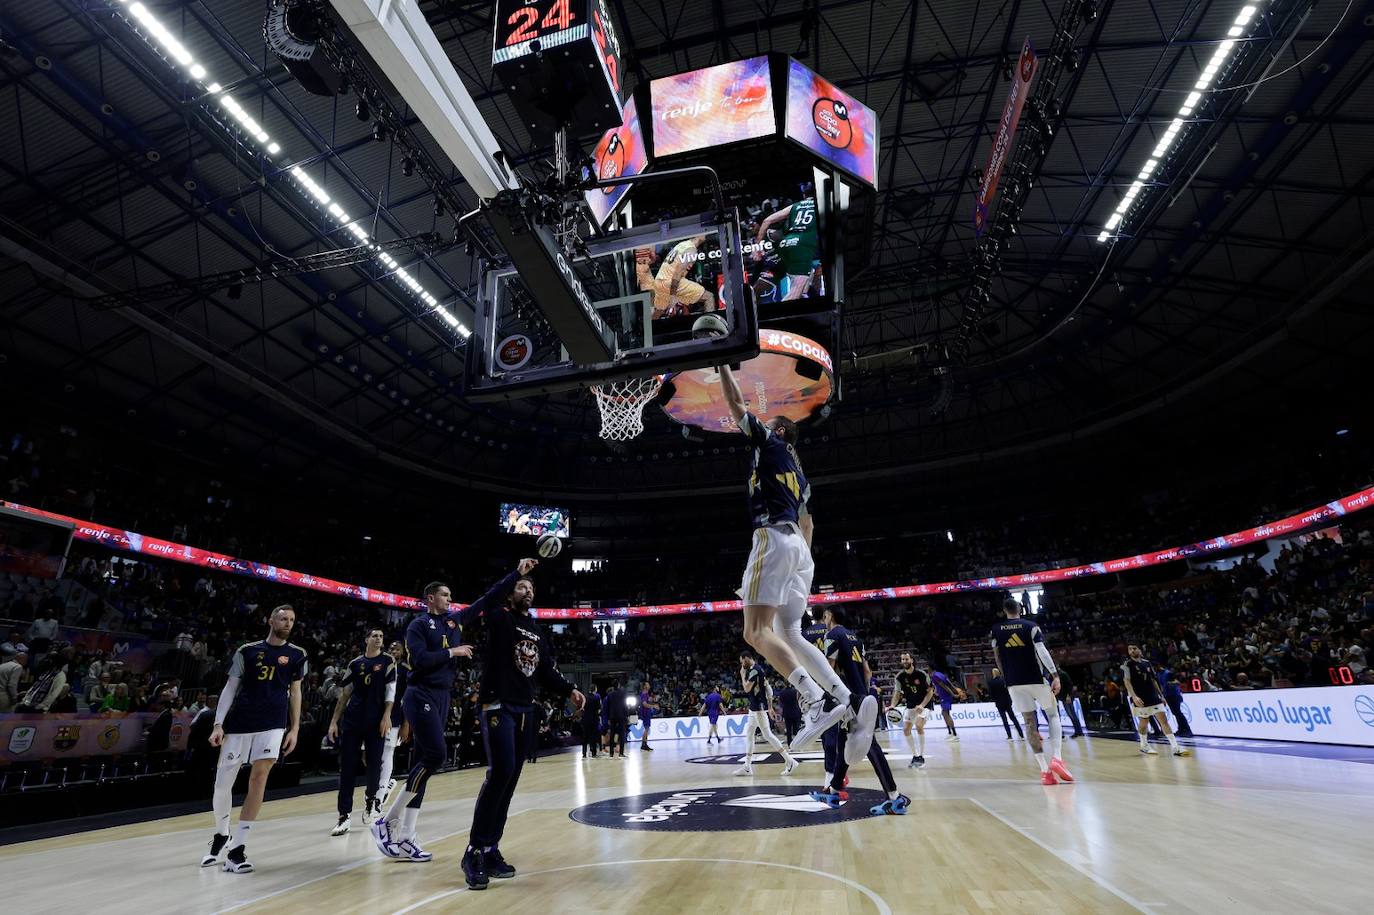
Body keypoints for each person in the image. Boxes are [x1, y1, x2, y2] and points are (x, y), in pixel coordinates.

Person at [716, 364, 877, 755]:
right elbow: (809, 523)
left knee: (754, 632)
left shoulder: (770, 443)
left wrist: (721, 361)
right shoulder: (801, 475)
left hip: (772, 536)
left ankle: (815, 699)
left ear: (781, 431)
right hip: (798, 549)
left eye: (771, 424)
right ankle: (846, 699)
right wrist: (801, 566)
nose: (764, 427)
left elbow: (736, 404)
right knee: (789, 632)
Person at [460, 561, 584, 891]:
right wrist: (514, 574)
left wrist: (569, 688)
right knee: (500, 772)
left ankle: (490, 848)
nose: (527, 590)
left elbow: (545, 669)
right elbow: (486, 601)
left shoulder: (536, 630)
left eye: (530, 587)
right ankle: (473, 851)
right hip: (497, 704)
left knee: (510, 778)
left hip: (524, 709)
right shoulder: (500, 617)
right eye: (521, 587)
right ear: (511, 592)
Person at [370, 576, 496, 862]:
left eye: (450, 595)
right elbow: (420, 660)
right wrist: (453, 651)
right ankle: (386, 821)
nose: (450, 599)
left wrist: (517, 573)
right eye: (444, 595)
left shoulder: (454, 622)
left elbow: (485, 601)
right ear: (430, 598)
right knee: (436, 757)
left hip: (442, 695)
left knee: (421, 766)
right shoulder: (417, 625)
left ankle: (406, 837)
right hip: (420, 693)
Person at [203, 605, 307, 873]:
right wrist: (218, 724)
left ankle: (237, 848)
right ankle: (221, 834)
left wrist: (294, 729)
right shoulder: (247, 651)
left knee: (259, 778)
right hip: (240, 723)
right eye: (283, 618)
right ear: (270, 620)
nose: (288, 623)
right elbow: (230, 687)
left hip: (273, 724)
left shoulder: (297, 655)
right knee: (223, 784)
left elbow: (295, 693)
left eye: (292, 620)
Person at [810, 607, 909, 815]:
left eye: (826, 616)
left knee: (870, 745)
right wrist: (865, 692)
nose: (824, 620)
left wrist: (821, 694)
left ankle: (894, 797)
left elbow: (828, 668)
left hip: (847, 697)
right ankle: (835, 790)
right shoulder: (856, 637)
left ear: (831, 617)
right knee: (844, 742)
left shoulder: (832, 635)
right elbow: (866, 670)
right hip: (861, 695)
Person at [990, 597, 1073, 785]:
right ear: (1020, 608)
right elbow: (1042, 652)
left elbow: (997, 658)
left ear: (1004, 610)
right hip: (1036, 678)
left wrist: (1006, 678)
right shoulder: (1030, 626)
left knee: (1029, 723)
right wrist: (1055, 675)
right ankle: (1057, 758)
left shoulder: (995, 630)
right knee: (1053, 715)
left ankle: (1045, 772)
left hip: (1013, 683)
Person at [327, 628, 396, 836]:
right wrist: (333, 722)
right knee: (347, 767)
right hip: (352, 721)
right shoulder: (355, 664)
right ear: (366, 639)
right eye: (375, 635)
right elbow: (345, 694)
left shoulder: (388, 661)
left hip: (376, 722)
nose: (378, 638)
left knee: (374, 764)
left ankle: (370, 801)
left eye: (381, 636)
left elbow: (390, 691)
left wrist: (386, 716)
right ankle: (344, 816)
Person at [734, 652, 798, 776]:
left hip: (758, 709)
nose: (741, 664)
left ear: (747, 658)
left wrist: (742, 675)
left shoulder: (754, 671)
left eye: (742, 661)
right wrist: (769, 707)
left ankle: (790, 761)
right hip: (755, 708)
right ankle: (747, 766)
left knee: (768, 735)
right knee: (749, 734)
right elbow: (768, 688)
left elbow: (746, 689)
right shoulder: (759, 670)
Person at [1122, 645, 1191, 757]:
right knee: (1144, 721)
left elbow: (1153, 680)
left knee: (1163, 720)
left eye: (1135, 648)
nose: (1132, 650)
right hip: (1140, 697)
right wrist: (1134, 696)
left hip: (1153, 696)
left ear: (1139, 649)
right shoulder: (1126, 665)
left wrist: (1161, 695)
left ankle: (1175, 747)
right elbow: (1126, 681)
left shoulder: (1147, 663)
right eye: (1130, 649)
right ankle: (1144, 745)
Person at [752, 196, 819, 300]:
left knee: (760, 286)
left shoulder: (796, 206)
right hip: (800, 248)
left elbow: (767, 221)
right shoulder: (820, 205)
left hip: (785, 246)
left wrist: (757, 247)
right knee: (796, 291)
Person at [376, 640, 409, 809]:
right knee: (372, 755)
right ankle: (386, 784)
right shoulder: (381, 665)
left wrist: (406, 724)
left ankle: (380, 795)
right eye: (391, 648)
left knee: (387, 753)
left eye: (396, 649)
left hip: (395, 717)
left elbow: (409, 699)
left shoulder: (405, 670)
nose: (393, 651)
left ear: (402, 652)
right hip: (375, 716)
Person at [887, 652, 934, 768]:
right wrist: (892, 705)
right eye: (902, 659)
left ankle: (921, 756)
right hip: (911, 705)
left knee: (919, 726)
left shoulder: (921, 674)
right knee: (906, 730)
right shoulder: (899, 677)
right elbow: (897, 693)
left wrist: (922, 705)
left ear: (912, 660)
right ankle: (915, 756)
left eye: (906, 659)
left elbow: (930, 691)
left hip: (924, 705)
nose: (904, 661)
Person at [988, 668, 1024, 741]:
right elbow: (1008, 691)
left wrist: (994, 699)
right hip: (1007, 702)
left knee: (1005, 720)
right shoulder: (1004, 681)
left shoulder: (991, 682)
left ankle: (1009, 736)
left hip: (999, 703)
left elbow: (991, 694)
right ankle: (1021, 735)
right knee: (1013, 718)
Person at [929, 666, 963, 740]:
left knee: (946, 713)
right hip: (944, 696)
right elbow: (948, 683)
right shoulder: (939, 674)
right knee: (944, 713)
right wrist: (954, 689)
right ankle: (950, 732)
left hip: (945, 696)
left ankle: (954, 734)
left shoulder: (935, 676)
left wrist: (953, 694)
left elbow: (944, 686)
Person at [1162, 666, 1194, 738]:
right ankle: (1180, 729)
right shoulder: (1159, 674)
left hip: (1174, 695)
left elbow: (1177, 682)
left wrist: (1169, 684)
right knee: (1175, 713)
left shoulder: (1168, 673)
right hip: (1167, 695)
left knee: (1178, 713)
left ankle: (1188, 730)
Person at [1056, 666, 1086, 738]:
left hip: (1067, 697)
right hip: (1064, 697)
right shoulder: (1058, 675)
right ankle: (1078, 731)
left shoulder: (1063, 674)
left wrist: (1068, 695)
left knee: (1072, 714)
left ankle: (1079, 731)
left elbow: (1069, 685)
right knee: (1071, 714)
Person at [605, 680, 629, 757]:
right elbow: (625, 705)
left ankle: (611, 753)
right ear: (618, 685)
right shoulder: (623, 693)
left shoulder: (610, 695)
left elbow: (607, 707)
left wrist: (608, 717)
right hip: (621, 716)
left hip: (612, 716)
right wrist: (627, 715)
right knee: (621, 735)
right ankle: (621, 753)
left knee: (612, 735)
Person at [581, 686, 603, 758]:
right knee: (593, 736)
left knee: (585, 736)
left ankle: (584, 753)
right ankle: (593, 753)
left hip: (585, 719)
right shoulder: (596, 698)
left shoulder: (585, 697)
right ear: (595, 689)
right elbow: (599, 709)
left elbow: (582, 708)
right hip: (594, 719)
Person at [638, 683, 657, 751]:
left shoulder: (646, 694)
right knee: (646, 729)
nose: (649, 685)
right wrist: (653, 706)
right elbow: (644, 704)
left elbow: (647, 702)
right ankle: (643, 744)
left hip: (646, 713)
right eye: (648, 684)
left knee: (647, 729)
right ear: (645, 686)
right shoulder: (644, 694)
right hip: (645, 713)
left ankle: (645, 744)